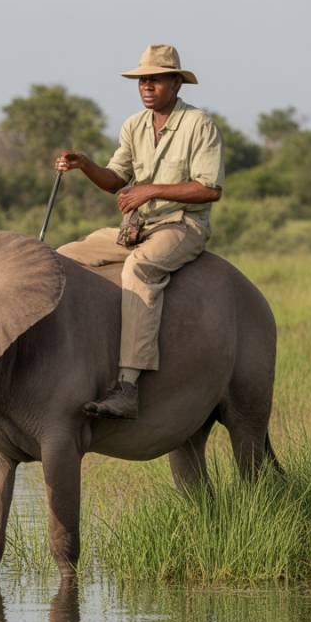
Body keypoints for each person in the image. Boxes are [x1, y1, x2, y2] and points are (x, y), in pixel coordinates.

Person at [55, 44, 224, 420]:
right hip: (137, 227)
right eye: (142, 80)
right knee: (64, 255)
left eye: (156, 79)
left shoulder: (199, 125)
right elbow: (115, 179)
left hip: (182, 224)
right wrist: (84, 164)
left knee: (140, 269)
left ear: (177, 83)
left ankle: (128, 384)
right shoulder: (133, 125)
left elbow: (210, 188)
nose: (146, 86)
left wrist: (150, 190)